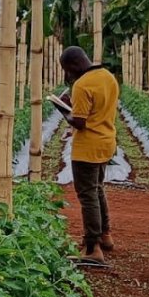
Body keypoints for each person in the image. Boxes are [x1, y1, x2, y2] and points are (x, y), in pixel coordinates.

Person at [59, 45, 119, 265]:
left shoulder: (82, 85)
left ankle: (92, 248)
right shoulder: (108, 76)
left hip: (87, 147)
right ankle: (105, 236)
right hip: (106, 142)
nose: (68, 75)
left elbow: (79, 122)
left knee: (87, 196)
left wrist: (63, 109)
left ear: (74, 65)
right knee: (97, 189)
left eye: (67, 70)